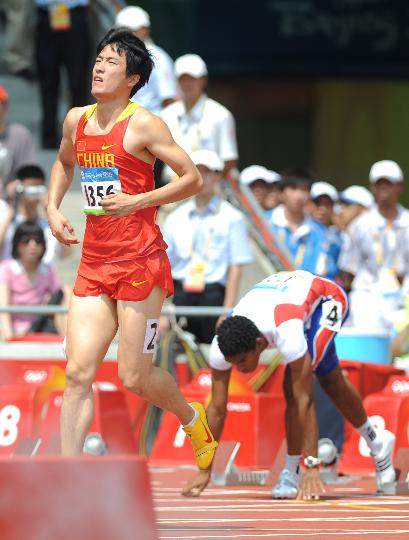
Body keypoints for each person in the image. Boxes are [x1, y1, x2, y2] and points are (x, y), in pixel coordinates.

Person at [46, 28, 217, 468]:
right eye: (98, 59)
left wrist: (137, 201)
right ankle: (68, 476)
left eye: (112, 63)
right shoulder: (76, 120)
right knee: (79, 372)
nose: (99, 67)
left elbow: (192, 178)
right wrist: (51, 208)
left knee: (133, 378)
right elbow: (64, 164)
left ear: (133, 78)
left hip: (141, 263)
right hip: (93, 263)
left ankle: (189, 416)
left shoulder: (143, 123)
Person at [182, 271, 396, 499]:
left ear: (258, 344)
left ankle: (292, 471)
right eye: (232, 363)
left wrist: (312, 465)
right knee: (331, 380)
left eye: (243, 361)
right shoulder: (221, 346)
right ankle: (377, 441)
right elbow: (216, 408)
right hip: (289, 301)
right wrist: (204, 468)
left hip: (326, 300)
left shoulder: (286, 332)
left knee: (295, 387)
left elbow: (305, 399)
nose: (239, 369)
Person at [163, 149, 253, 344]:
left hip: (213, 295)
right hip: (181, 293)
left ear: (218, 176)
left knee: (215, 353)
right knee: (174, 352)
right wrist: (162, 308)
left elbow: (235, 268)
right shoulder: (175, 217)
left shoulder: (232, 218)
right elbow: (164, 264)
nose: (202, 177)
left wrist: (227, 311)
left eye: (207, 171)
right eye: (196, 171)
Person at [338, 160, 409, 331]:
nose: (383, 188)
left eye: (389, 184)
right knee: (371, 353)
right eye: (379, 184)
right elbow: (348, 269)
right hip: (368, 299)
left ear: (400, 187)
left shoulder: (407, 221)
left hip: (403, 298)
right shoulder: (360, 225)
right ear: (372, 188)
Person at [161, 54, 238, 181]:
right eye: (182, 79)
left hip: (207, 189)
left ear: (203, 80)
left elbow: (229, 160)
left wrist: (207, 186)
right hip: (172, 188)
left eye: (192, 78)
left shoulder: (221, 115)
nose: (187, 83)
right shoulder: (167, 114)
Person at [35, 0, 91, 148]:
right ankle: (49, 136)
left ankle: (79, 135)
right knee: (48, 79)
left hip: (75, 15)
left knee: (77, 81)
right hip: (47, 15)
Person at [0, 221, 66, 340]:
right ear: (16, 244)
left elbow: (59, 298)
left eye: (38, 241)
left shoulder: (48, 270)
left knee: (67, 292)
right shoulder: (6, 269)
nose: (32, 245)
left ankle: (68, 341)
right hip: (13, 331)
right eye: (26, 241)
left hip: (40, 330)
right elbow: (3, 308)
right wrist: (10, 339)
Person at [0, 164, 71, 263]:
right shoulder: (6, 220)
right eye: (30, 188)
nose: (33, 194)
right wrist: (12, 203)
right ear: (19, 188)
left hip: (42, 276)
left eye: (38, 188)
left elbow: (68, 252)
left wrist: (49, 209)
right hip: (11, 277)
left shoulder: (48, 226)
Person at [115, 5, 177, 115]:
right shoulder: (115, 55)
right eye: (121, 31)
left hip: (150, 125)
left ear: (145, 30)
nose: (126, 35)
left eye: (131, 30)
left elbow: (169, 100)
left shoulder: (159, 57)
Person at [268, 171, 325, 273]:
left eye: (304, 190)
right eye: (293, 189)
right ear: (281, 193)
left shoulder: (319, 231)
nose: (298, 195)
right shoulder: (265, 222)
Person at [0, 85, 38, 186]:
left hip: (12, 200)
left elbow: (30, 175)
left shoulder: (19, 135)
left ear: (5, 107)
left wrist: (19, 185)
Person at [308, 181, 341, 279]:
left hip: (328, 284)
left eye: (327, 204)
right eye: (318, 203)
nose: (322, 209)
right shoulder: (303, 229)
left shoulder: (337, 236)